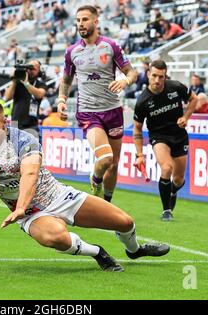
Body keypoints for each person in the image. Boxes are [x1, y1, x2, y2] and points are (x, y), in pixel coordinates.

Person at [0, 100, 170, 272]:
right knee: (54, 237)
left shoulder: (23, 140)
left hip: (59, 196)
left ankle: (135, 250)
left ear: (5, 122)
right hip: (30, 214)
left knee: (124, 222)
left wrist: (18, 206)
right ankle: (97, 253)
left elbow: (30, 173)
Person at [57, 5, 138, 203]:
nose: (81, 24)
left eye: (85, 19)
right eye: (78, 20)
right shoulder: (72, 52)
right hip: (88, 113)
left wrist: (124, 81)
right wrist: (61, 100)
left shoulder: (111, 46)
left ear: (95, 21)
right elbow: (66, 80)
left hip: (113, 111)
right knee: (106, 158)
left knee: (114, 163)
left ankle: (106, 203)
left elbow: (132, 72)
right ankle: (95, 181)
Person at [133, 60, 197, 221]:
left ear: (165, 76)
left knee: (178, 179)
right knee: (167, 168)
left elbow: (194, 99)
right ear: (148, 74)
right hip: (159, 137)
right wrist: (139, 154)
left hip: (179, 135)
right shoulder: (142, 101)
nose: (157, 80)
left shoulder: (175, 87)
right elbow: (137, 129)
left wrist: (185, 116)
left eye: (161, 77)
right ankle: (166, 210)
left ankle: (173, 191)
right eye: (154, 76)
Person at [4, 59, 47, 135]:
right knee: (14, 146)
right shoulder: (17, 83)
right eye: (29, 68)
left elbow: (40, 94)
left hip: (31, 124)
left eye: (33, 69)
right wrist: (14, 80)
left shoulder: (40, 84)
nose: (30, 71)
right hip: (15, 123)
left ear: (39, 72)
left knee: (31, 146)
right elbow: (7, 97)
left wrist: (26, 84)